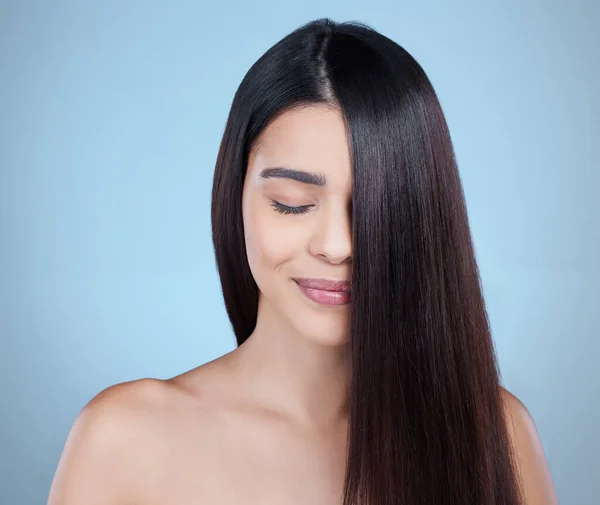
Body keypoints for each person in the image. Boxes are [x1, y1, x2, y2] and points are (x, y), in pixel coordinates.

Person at [47, 17, 558, 505]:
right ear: (235, 198)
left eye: (374, 210)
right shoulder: (124, 440)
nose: (337, 245)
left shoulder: (497, 436)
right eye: (292, 203)